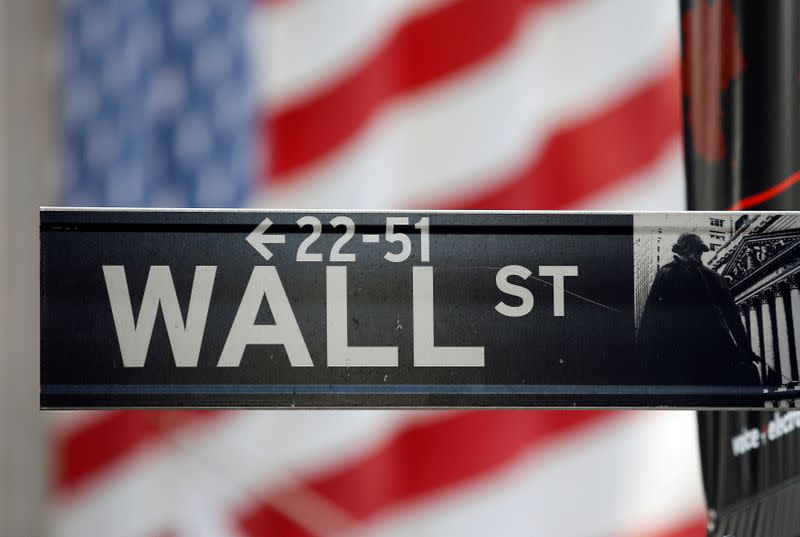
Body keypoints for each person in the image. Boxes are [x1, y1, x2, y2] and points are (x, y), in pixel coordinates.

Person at [638, 233, 761, 387]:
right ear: (684, 250)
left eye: (700, 251)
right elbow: (651, 315)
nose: (698, 254)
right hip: (682, 350)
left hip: (706, 349)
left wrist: (746, 350)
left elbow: (733, 318)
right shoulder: (666, 273)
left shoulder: (713, 277)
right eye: (695, 250)